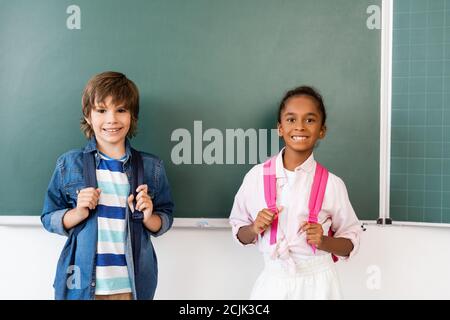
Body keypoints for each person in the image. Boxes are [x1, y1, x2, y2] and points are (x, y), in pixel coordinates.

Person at [41, 71, 174, 300]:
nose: (112, 119)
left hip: (132, 288)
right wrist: (78, 212)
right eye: (102, 110)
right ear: (88, 115)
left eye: (121, 110)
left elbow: (165, 218)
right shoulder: (69, 164)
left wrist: (148, 216)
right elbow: (48, 217)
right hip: (81, 287)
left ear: (132, 116)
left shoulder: (152, 168)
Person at [229, 86, 361, 299]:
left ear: (322, 131)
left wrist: (324, 241)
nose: (299, 127)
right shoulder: (255, 177)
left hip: (319, 284)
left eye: (309, 120)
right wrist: (254, 228)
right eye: (291, 120)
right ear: (280, 128)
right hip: (273, 282)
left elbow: (350, 243)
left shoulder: (332, 184)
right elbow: (239, 234)